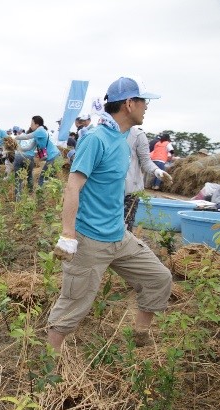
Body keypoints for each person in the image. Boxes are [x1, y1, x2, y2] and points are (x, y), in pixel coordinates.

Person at [49, 76, 172, 352]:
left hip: (119, 235)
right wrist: (68, 234)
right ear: (129, 103)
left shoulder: (124, 136)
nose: (146, 107)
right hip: (90, 240)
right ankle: (49, 368)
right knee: (72, 308)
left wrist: (155, 171)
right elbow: (72, 186)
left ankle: (140, 338)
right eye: (144, 101)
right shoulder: (95, 139)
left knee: (159, 278)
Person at [124, 127, 172, 230]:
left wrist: (157, 171)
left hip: (130, 190)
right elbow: (171, 152)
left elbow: (146, 160)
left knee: (125, 226)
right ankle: (155, 186)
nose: (145, 110)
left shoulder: (137, 134)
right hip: (109, 191)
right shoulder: (103, 131)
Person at [15, 116, 61, 186]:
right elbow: (29, 148)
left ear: (37, 124)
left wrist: (14, 138)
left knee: (42, 178)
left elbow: (27, 136)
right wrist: (17, 148)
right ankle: (50, 194)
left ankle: (41, 195)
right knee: (50, 177)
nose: (30, 125)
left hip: (54, 156)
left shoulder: (40, 130)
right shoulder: (37, 136)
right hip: (52, 157)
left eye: (32, 123)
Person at [13, 129, 36, 201]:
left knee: (18, 178)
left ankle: (18, 198)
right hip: (29, 157)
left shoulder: (20, 136)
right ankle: (30, 193)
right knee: (29, 176)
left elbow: (14, 146)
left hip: (18, 156)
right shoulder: (35, 138)